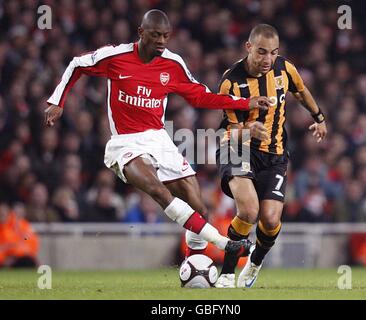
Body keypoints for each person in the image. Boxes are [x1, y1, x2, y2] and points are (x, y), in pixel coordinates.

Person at [44, 10, 271, 258]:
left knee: (199, 208)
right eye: (155, 35)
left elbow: (199, 95)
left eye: (165, 36)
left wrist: (243, 103)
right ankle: (225, 243)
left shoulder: (173, 64)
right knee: (158, 191)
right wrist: (58, 101)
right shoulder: (116, 56)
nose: (161, 41)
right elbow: (77, 64)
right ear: (141, 33)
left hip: (158, 138)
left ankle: (194, 265)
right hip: (125, 141)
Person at [213, 24, 328, 288]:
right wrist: (248, 128)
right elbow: (228, 127)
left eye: (273, 53)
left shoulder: (285, 68)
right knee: (249, 210)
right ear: (249, 47)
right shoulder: (231, 80)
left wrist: (319, 117)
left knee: (271, 218)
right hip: (238, 147)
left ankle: (255, 261)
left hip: (274, 152)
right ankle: (228, 273)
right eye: (262, 52)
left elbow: (300, 90)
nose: (268, 60)